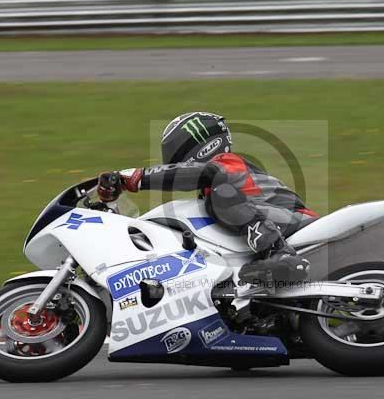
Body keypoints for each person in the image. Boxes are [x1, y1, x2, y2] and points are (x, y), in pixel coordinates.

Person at [97, 112, 316, 286]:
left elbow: (203, 172)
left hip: (292, 219)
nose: (171, 162)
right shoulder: (216, 186)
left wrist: (136, 178)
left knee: (221, 197)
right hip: (278, 219)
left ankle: (282, 255)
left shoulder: (225, 164)